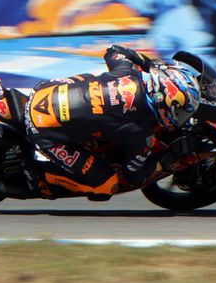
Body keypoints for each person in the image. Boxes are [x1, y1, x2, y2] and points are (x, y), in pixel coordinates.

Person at [24, 44, 203, 199]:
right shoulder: (140, 131)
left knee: (89, 81)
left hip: (42, 91)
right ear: (163, 104)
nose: (180, 119)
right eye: (179, 113)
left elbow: (115, 50)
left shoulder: (128, 73)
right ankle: (38, 176)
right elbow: (135, 176)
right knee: (106, 185)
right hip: (43, 129)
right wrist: (168, 157)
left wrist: (148, 65)